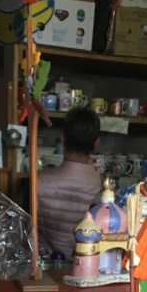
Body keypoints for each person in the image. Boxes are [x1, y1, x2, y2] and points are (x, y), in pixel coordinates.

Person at [37, 107, 103, 257]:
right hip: (83, 265)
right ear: (96, 144)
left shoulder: (38, 180)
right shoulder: (98, 184)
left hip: (44, 267)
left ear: (62, 139)